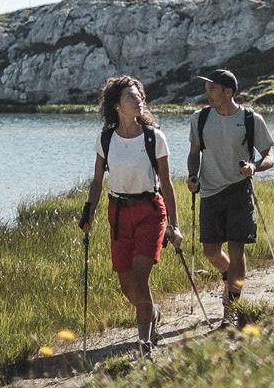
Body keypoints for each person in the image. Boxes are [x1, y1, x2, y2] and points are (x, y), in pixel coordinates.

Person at [77, 75, 183, 355]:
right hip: (119, 213)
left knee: (139, 277)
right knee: (127, 287)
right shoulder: (106, 139)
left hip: (150, 211)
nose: (138, 101)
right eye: (130, 97)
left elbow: (167, 183)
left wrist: (175, 225)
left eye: (140, 97)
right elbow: (98, 181)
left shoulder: (154, 137)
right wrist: (89, 213)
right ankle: (153, 314)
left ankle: (144, 342)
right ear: (116, 105)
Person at [184, 69, 274, 326]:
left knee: (237, 250)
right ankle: (230, 278)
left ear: (228, 92)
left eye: (212, 88)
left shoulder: (250, 119)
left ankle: (231, 308)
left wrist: (254, 167)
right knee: (211, 251)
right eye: (207, 88)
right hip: (210, 192)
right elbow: (194, 153)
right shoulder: (200, 118)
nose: (207, 93)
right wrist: (193, 175)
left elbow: (269, 156)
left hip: (239, 190)